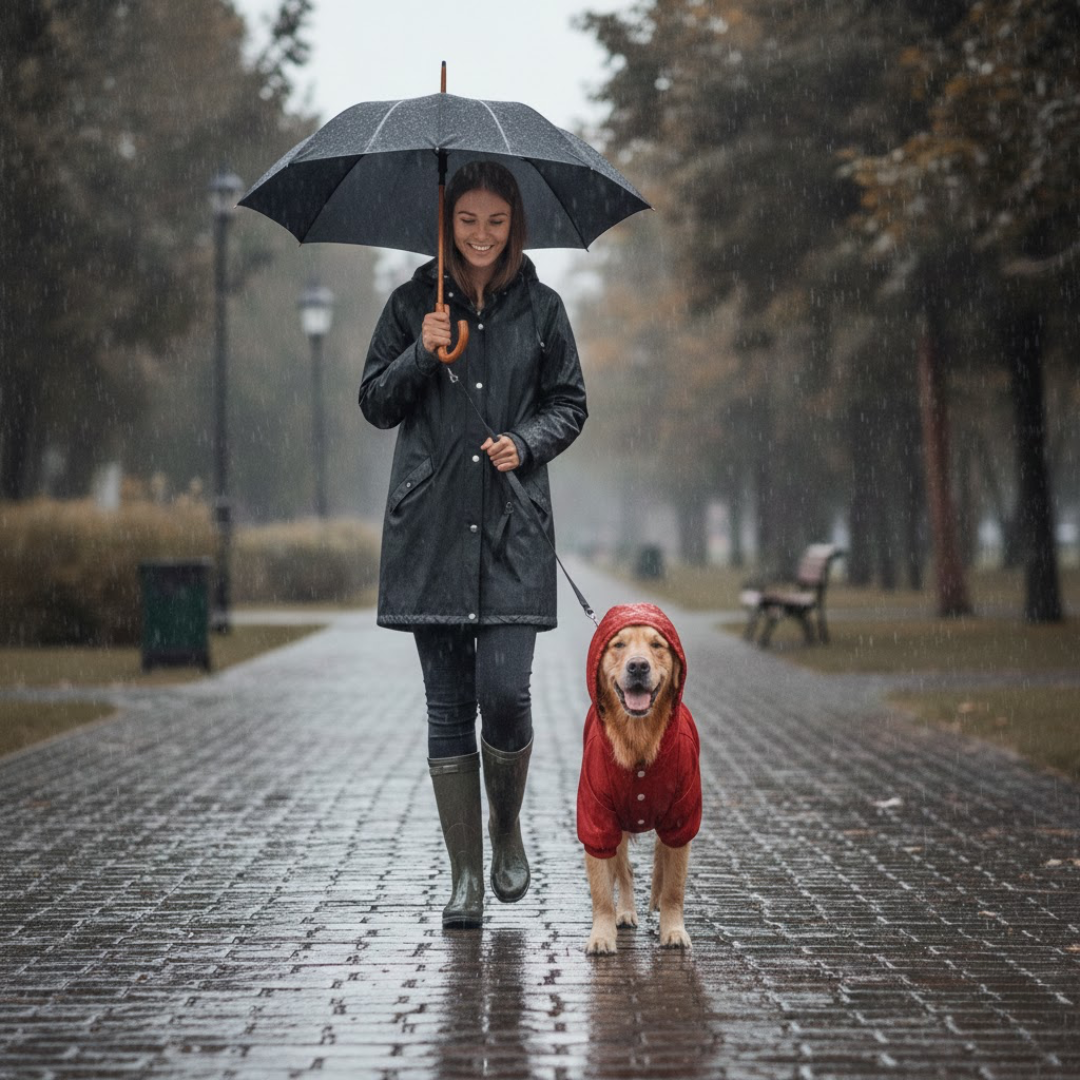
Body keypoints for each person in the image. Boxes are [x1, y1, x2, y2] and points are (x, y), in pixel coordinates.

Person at [359, 161, 588, 929]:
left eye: (495, 221)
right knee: (449, 706)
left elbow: (570, 403)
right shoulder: (411, 304)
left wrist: (526, 442)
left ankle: (505, 826)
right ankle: (464, 878)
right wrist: (420, 352)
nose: (481, 235)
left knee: (507, 694)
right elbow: (375, 403)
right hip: (431, 529)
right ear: (446, 223)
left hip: (513, 527)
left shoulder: (544, 309)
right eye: (466, 221)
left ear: (514, 223)